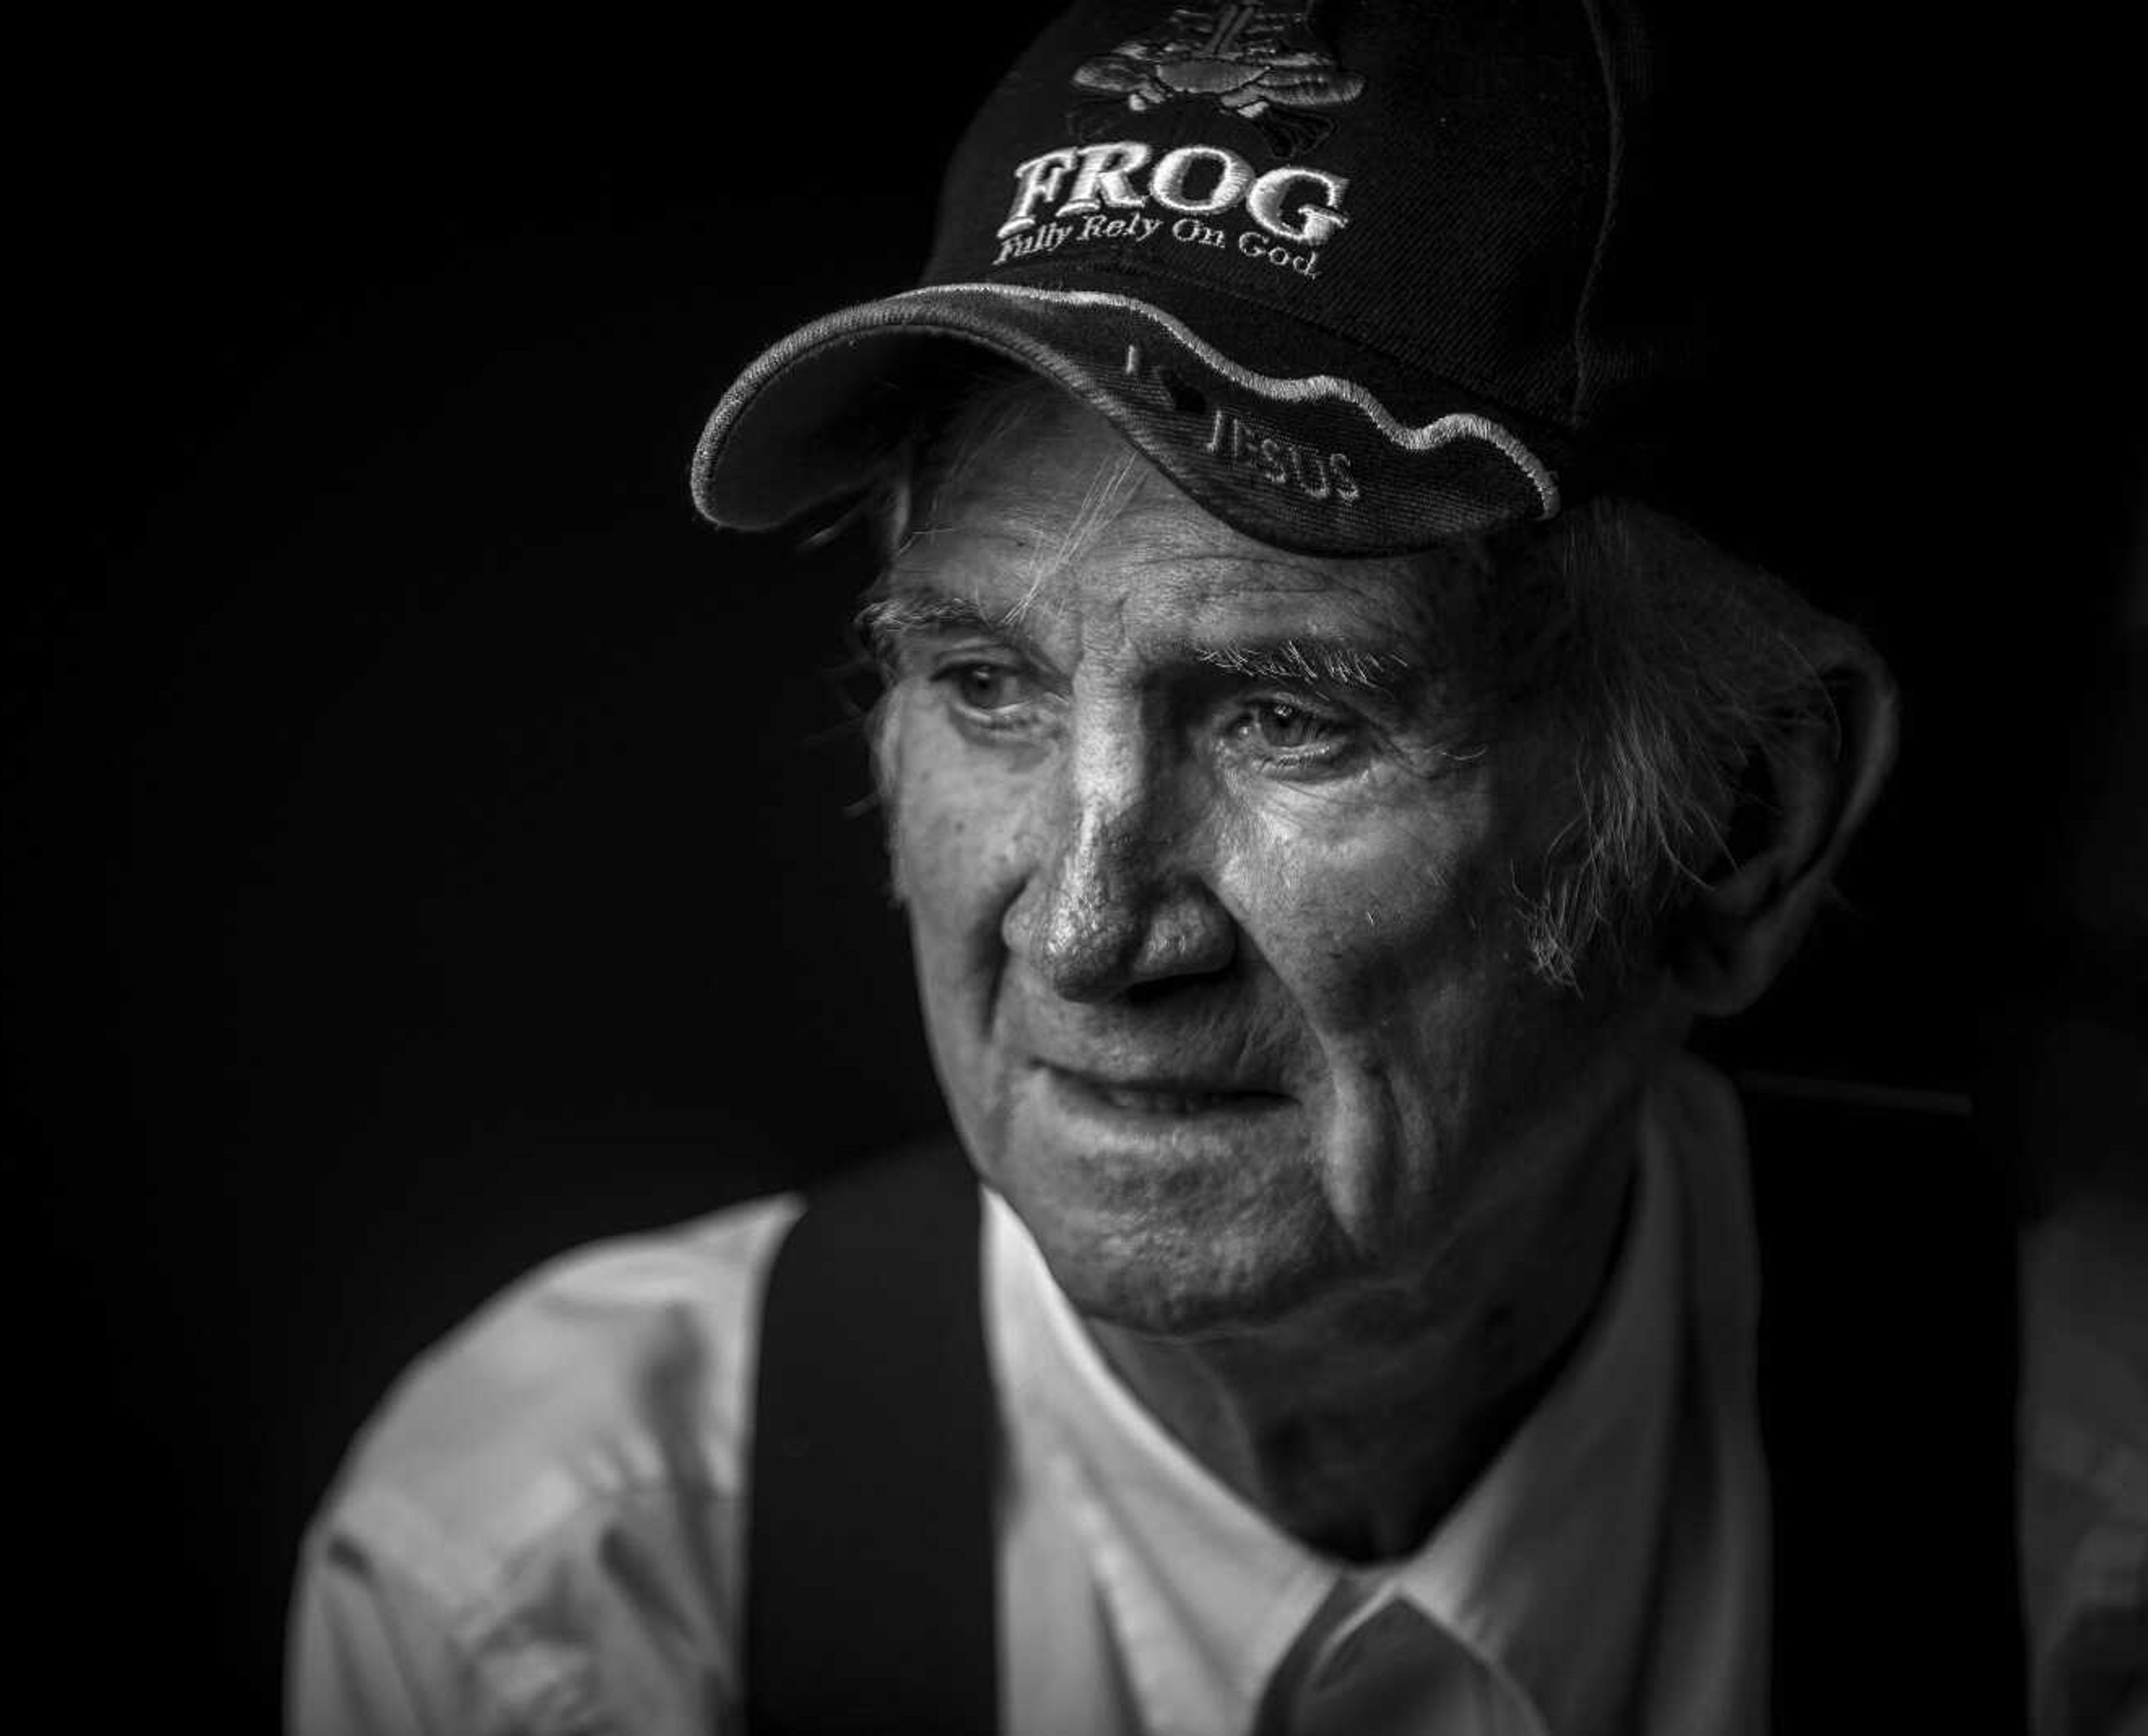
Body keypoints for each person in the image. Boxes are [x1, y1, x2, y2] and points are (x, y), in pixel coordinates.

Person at [288, 2, 2028, 1729]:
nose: (1085, 925)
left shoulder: (2078, 1508)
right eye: (987, 686)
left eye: (1290, 714)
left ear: (1743, 829)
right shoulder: (560, 1598)